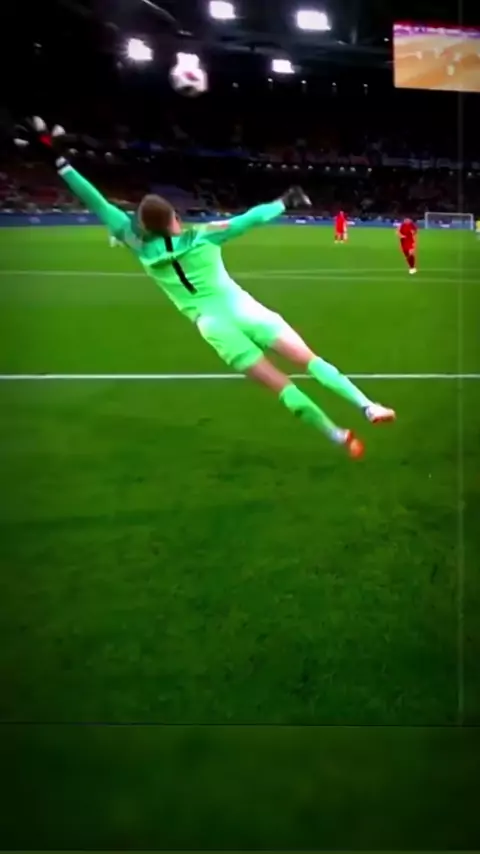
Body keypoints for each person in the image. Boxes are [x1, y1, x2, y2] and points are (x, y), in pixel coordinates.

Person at [15, 118, 396, 458]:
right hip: (245, 310)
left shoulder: (136, 243)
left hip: (213, 327)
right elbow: (250, 218)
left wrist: (59, 161)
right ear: (174, 217)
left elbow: (94, 200)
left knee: (280, 386)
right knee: (309, 361)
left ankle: (336, 435)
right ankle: (368, 406)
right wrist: (284, 201)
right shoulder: (202, 236)